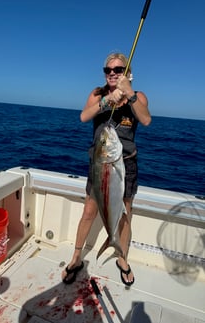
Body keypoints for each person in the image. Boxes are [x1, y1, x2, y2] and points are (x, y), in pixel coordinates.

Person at [62, 52, 151, 286]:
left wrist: (129, 94)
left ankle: (122, 258)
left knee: (125, 214)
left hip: (126, 164)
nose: (113, 73)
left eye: (118, 69)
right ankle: (75, 258)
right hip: (101, 163)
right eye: (108, 70)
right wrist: (105, 102)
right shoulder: (97, 93)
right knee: (89, 212)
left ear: (127, 73)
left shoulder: (138, 96)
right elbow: (83, 117)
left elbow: (146, 119)